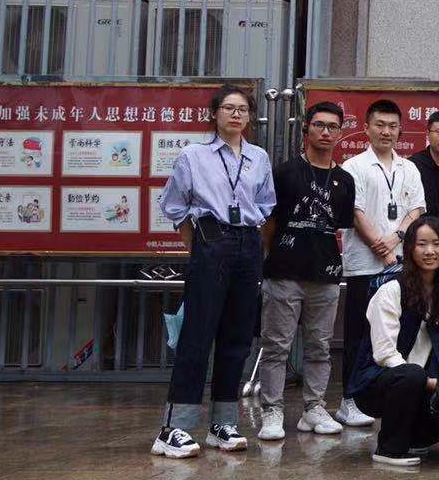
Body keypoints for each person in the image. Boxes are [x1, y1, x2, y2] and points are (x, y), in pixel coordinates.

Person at [151, 85, 276, 458]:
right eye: (229, 108)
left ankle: (223, 424)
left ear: (250, 117)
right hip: (211, 240)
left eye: (243, 109)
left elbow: (265, 204)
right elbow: (174, 206)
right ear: (214, 114)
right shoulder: (194, 155)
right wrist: (200, 247)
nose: (236, 115)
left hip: (248, 244)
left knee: (237, 339)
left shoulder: (258, 157)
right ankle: (174, 427)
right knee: (197, 335)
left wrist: (252, 246)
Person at [256, 101, 356, 441]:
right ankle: (272, 410)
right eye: (319, 125)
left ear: (340, 133)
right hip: (284, 273)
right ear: (306, 129)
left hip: (325, 275)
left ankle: (314, 408)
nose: (326, 132)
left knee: (320, 347)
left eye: (333, 127)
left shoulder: (344, 180)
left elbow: (338, 227)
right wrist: (276, 256)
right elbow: (269, 224)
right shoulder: (285, 172)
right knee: (276, 346)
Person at [346, 216, 439, 466]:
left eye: (437, 244)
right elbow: (384, 353)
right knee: (411, 375)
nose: (430, 251)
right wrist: (426, 382)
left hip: (421, 382)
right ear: (409, 248)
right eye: (422, 244)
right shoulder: (392, 290)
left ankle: (415, 438)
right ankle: (389, 450)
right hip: (378, 383)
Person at [338, 99, 426, 428]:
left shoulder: (408, 168)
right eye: (380, 125)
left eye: (392, 126)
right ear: (367, 128)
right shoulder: (354, 166)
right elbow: (355, 212)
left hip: (402, 266)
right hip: (365, 265)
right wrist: (383, 249)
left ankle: (387, 396)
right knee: (359, 334)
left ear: (400, 130)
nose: (386, 131)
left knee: (395, 334)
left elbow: (417, 209)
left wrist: (397, 237)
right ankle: (349, 400)